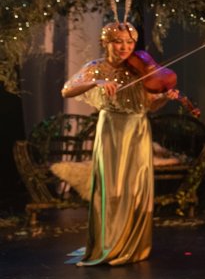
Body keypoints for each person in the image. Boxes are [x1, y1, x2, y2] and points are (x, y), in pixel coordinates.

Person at [62, 22, 179, 266]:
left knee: (136, 189)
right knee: (112, 188)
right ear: (105, 43)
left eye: (129, 42)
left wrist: (164, 98)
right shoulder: (96, 67)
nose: (125, 47)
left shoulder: (139, 69)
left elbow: (148, 105)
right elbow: (67, 90)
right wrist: (97, 83)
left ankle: (133, 246)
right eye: (118, 41)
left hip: (137, 129)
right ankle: (109, 244)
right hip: (112, 131)